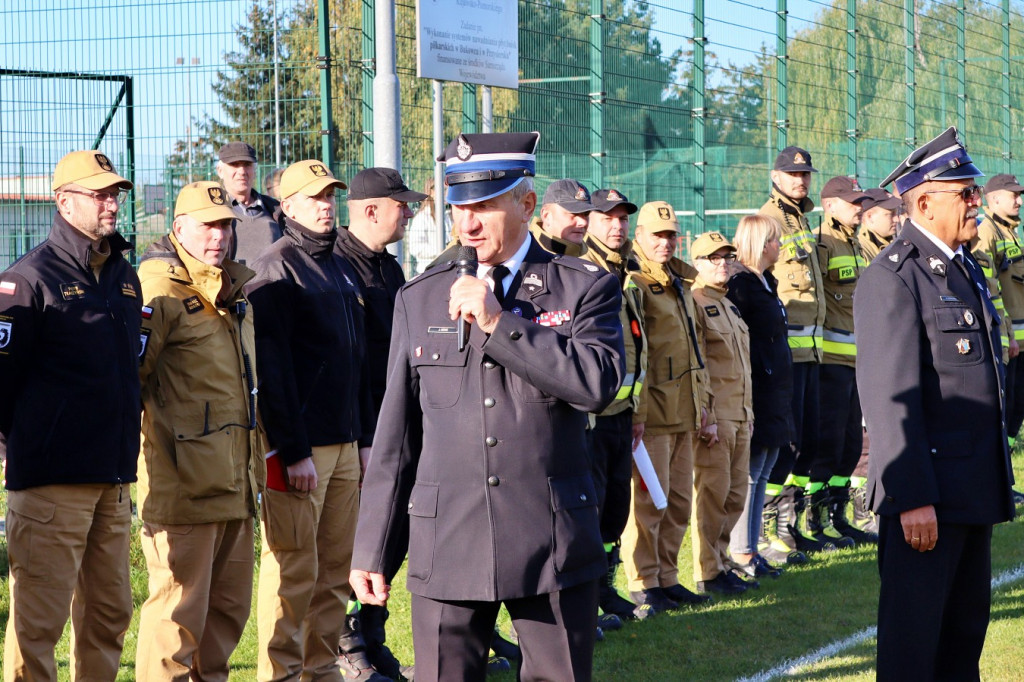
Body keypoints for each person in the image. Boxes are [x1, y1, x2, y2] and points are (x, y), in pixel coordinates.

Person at [349, 131, 625, 682]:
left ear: (526, 204)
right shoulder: (419, 296)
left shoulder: (582, 287)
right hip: (447, 538)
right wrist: (372, 547)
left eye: (483, 207)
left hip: (551, 541)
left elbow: (597, 383)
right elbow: (398, 434)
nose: (467, 224)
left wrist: (501, 323)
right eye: (458, 208)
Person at [856, 126, 1015, 679]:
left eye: (974, 192)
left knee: (961, 643)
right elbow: (890, 398)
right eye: (966, 193)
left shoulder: (963, 267)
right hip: (929, 500)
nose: (977, 204)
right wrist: (913, 498)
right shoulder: (893, 278)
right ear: (924, 201)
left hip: (971, 489)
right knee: (913, 651)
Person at [0, 150, 141, 681]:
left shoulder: (124, 275)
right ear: (64, 201)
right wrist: (27, 449)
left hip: (113, 479)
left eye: (115, 193)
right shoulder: (28, 279)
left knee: (108, 617)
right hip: (52, 482)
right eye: (99, 193)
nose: (112, 203)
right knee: (39, 624)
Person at [246, 160, 374, 682]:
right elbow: (271, 373)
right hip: (302, 448)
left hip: (345, 443)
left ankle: (320, 670)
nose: (326, 205)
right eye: (315, 196)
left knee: (334, 572)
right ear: (288, 207)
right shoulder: (274, 269)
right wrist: (293, 450)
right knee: (293, 570)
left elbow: (358, 359)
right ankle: (279, 674)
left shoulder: (340, 264)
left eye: (330, 195)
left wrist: (363, 437)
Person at [135, 181, 262, 681]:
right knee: (175, 622)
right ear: (179, 227)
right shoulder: (160, 289)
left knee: (225, 620)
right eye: (208, 224)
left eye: (226, 224)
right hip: (183, 487)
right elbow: (129, 379)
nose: (219, 235)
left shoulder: (231, 287)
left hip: (234, 483)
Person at [334, 167, 426, 680]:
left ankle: (373, 633)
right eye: (401, 205)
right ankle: (347, 644)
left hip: (396, 427)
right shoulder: (339, 266)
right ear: (371, 210)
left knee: (393, 535)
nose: (409, 212)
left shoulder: (388, 270)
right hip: (361, 431)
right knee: (359, 539)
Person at [619, 200, 711, 615]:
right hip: (653, 413)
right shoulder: (635, 281)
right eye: (657, 235)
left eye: (671, 235)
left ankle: (668, 578)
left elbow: (694, 349)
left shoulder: (681, 283)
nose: (665, 242)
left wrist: (703, 400)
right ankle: (643, 582)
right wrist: (637, 412)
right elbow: (638, 354)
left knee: (677, 501)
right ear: (639, 237)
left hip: (685, 409)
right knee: (647, 504)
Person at [758, 146, 831, 556]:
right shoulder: (769, 219)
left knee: (807, 441)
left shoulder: (800, 218)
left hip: (813, 350)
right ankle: (770, 526)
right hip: (788, 350)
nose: (801, 180)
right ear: (776, 176)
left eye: (805, 173)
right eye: (793, 174)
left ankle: (790, 523)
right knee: (786, 444)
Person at [580, 189, 648, 622]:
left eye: (623, 218)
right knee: (592, 505)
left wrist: (637, 406)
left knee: (615, 509)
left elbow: (640, 347)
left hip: (622, 414)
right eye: (607, 217)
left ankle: (605, 587)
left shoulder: (626, 274)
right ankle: (586, 596)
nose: (617, 225)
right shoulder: (584, 270)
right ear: (589, 222)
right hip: (590, 416)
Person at [726, 214, 796, 570]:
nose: (779, 246)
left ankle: (750, 549)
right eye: (774, 240)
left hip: (775, 387)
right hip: (756, 387)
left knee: (766, 465)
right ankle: (740, 551)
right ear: (759, 243)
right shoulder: (740, 283)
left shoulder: (765, 280)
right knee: (751, 472)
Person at [688, 232, 756, 596]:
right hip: (718, 416)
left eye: (727, 256)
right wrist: (706, 414)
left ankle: (723, 561)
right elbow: (699, 367)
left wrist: (749, 412)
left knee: (734, 496)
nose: (723, 263)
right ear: (696, 262)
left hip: (741, 413)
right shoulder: (696, 302)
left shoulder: (728, 304)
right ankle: (707, 571)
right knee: (713, 496)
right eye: (713, 258)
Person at [809, 176, 872, 546]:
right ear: (830, 205)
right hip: (830, 360)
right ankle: (814, 519)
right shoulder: (822, 241)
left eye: (861, 201)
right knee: (828, 442)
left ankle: (837, 514)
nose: (859, 208)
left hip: (854, 361)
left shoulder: (853, 240)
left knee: (850, 444)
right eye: (852, 202)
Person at [973, 173, 1024, 506]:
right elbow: (990, 290)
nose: (1019, 201)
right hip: (1010, 342)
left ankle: (1005, 479)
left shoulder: (1011, 232)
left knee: (1016, 412)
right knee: (1004, 411)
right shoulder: (985, 232)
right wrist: (1005, 336)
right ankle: (998, 480)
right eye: (1013, 195)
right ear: (993, 199)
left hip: (1020, 340)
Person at [216, 141, 282, 265]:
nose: (242, 171)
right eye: (234, 164)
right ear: (220, 171)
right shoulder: (212, 210)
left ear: (254, 169)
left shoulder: (276, 210)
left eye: (247, 164)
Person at [530, 178, 593, 256]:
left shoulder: (589, 259)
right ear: (547, 216)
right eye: (573, 213)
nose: (583, 222)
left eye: (586, 214)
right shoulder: (524, 255)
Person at [406, 176, 452, 275]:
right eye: (443, 190)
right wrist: (441, 249)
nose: (446, 193)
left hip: (447, 271)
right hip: (427, 272)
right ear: (431, 192)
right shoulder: (421, 217)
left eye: (447, 189)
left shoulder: (447, 216)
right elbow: (415, 248)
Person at [856, 188, 901, 263]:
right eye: (890, 214)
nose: (897, 219)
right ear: (870, 216)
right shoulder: (861, 250)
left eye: (896, 213)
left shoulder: (894, 243)